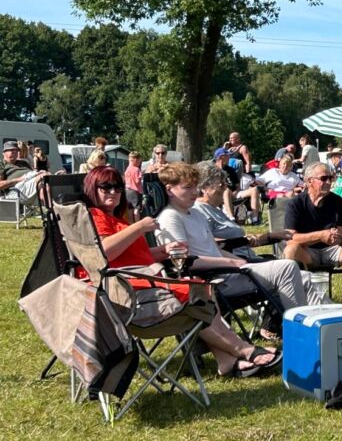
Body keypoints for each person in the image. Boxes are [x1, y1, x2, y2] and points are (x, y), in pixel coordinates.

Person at [82, 166, 280, 377]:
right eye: (106, 187)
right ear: (93, 189)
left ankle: (226, 359)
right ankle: (244, 349)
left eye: (118, 187)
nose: (113, 192)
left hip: (138, 281)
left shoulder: (117, 218)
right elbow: (103, 252)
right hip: (122, 293)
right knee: (195, 296)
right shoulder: (94, 216)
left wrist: (163, 251)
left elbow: (133, 255)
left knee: (200, 292)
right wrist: (138, 227)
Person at [154, 162, 318, 314]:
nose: (195, 192)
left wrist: (241, 262)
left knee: (300, 275)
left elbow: (215, 249)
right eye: (188, 187)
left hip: (229, 272)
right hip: (214, 280)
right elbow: (185, 262)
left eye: (195, 187)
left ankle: (311, 322)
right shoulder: (170, 217)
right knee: (287, 268)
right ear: (169, 190)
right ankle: (299, 332)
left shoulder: (194, 213)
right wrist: (231, 262)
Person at [283, 162, 342, 271]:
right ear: (309, 181)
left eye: (330, 178)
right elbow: (290, 238)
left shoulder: (338, 201)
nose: (328, 182)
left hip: (333, 250)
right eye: (323, 178)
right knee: (290, 249)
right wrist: (321, 236)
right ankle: (294, 286)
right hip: (307, 252)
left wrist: (338, 237)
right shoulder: (295, 203)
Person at [214, 147, 261, 225]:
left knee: (254, 190)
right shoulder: (213, 170)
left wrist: (236, 191)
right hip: (219, 194)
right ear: (221, 157)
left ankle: (255, 218)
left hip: (234, 193)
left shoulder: (231, 170)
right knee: (226, 190)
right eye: (227, 155)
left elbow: (237, 185)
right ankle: (232, 218)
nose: (229, 157)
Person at [124, 151, 144, 219]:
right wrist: (141, 176)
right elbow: (137, 181)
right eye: (139, 161)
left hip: (127, 190)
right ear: (135, 159)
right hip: (136, 191)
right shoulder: (137, 169)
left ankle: (130, 224)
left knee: (130, 209)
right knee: (136, 209)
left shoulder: (127, 169)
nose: (139, 162)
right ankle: (137, 223)